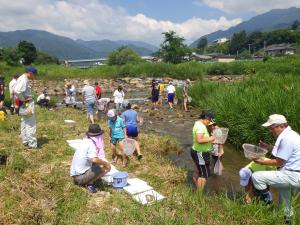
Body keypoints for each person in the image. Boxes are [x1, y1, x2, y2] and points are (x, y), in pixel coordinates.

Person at [251, 114, 300, 221]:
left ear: (281, 126)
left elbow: (279, 162)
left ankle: (269, 205)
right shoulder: (292, 135)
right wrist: (268, 147)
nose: (270, 130)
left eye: (271, 128)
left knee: (256, 177)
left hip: (291, 175)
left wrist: (260, 161)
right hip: (295, 176)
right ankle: (287, 222)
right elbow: (285, 151)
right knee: (286, 207)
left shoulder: (288, 139)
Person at [70, 124, 111, 193]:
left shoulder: (85, 141)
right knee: (105, 167)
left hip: (75, 175)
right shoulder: (91, 144)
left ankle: (88, 180)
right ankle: (89, 183)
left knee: (96, 164)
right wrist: (106, 164)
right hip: (80, 178)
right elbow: (94, 159)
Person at [14, 66, 38, 149]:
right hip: (27, 103)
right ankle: (32, 145)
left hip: (24, 103)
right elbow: (17, 91)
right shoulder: (24, 79)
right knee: (31, 124)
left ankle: (25, 141)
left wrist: (23, 100)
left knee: (24, 122)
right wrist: (23, 100)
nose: (34, 76)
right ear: (30, 73)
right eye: (34, 75)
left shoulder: (22, 78)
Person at [191, 111, 215, 190]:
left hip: (196, 150)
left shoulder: (198, 123)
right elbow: (199, 140)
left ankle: (195, 188)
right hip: (201, 153)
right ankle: (199, 196)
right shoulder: (201, 127)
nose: (210, 122)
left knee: (197, 170)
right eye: (210, 120)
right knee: (204, 174)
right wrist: (211, 138)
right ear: (207, 118)